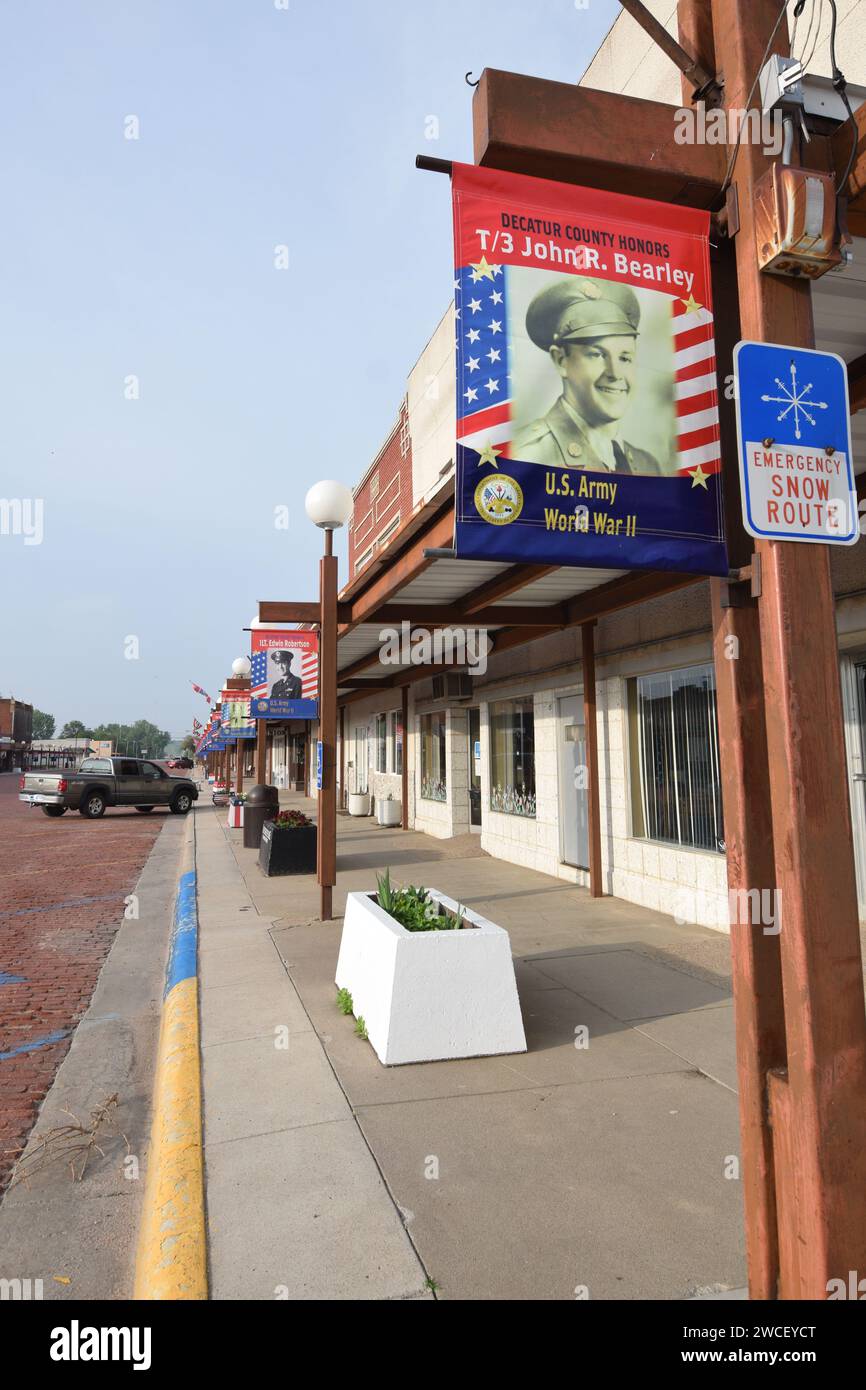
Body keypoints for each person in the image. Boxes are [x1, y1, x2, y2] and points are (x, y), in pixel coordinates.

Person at [512, 277, 665, 475]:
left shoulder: (648, 467)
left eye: (625, 358)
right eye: (597, 355)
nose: (615, 373)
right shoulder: (525, 456)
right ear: (561, 360)